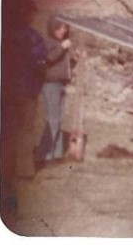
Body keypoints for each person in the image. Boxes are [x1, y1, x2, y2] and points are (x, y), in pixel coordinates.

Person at [0, 0, 47, 182]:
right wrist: (37, 83)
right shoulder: (33, 38)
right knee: (26, 130)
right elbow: (40, 63)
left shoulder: (5, 34)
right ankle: (25, 170)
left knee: (7, 128)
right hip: (27, 90)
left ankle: (6, 168)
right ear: (27, 14)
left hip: (7, 90)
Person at [36, 16, 79, 164]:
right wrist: (62, 48)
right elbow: (47, 60)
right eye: (59, 28)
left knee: (59, 120)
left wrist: (74, 60)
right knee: (53, 120)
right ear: (52, 28)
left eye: (65, 28)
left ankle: (56, 154)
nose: (62, 31)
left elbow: (61, 66)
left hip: (61, 84)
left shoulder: (61, 44)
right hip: (51, 85)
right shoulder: (47, 42)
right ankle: (44, 153)